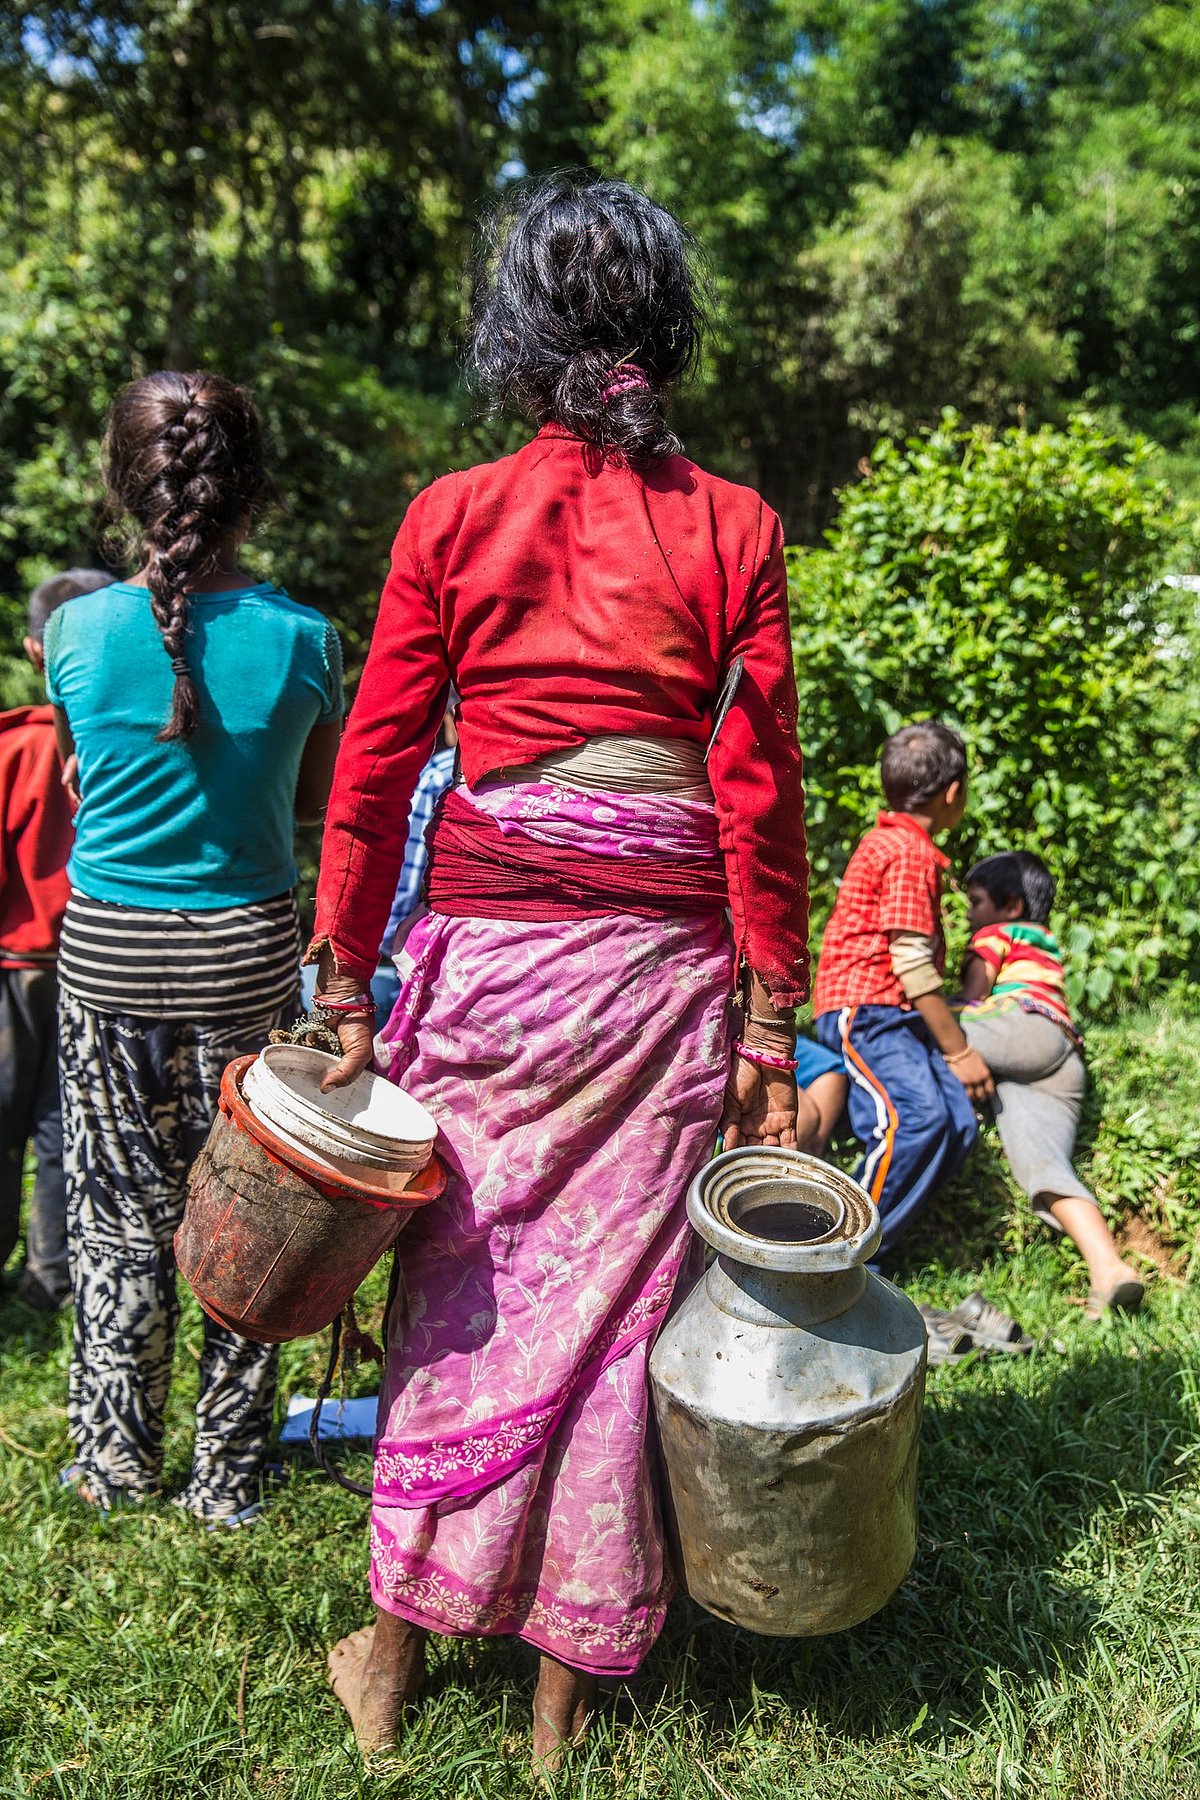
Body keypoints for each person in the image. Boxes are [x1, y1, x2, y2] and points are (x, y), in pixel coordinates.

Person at [309, 176, 810, 1769]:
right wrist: (772, 1013)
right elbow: (758, 791)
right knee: (609, 1323)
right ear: (664, 331)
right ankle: (556, 1703)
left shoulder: (453, 512)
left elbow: (380, 765)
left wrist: (338, 979)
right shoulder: (731, 524)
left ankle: (388, 1661)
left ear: (521, 336)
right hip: (661, 986)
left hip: (494, 976)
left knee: (461, 1302)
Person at [47, 371, 344, 1520]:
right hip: (247, 962)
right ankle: (228, 1478)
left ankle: (115, 1466)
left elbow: (94, 775)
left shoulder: (72, 629)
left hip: (106, 960)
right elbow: (308, 807)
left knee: (117, 1219)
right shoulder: (305, 640)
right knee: (250, 1216)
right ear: (251, 491)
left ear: (127, 487)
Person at [813, 722, 992, 1261]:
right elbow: (911, 964)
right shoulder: (908, 852)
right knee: (913, 1121)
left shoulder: (895, 843)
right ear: (953, 792)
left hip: (894, 1015)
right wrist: (959, 1050)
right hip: (866, 1011)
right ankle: (829, 1260)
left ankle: (872, 1261)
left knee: (956, 1121)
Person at [958, 850, 1143, 1317]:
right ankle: (1109, 1268)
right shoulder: (1042, 939)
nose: (968, 912)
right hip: (1061, 1055)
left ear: (1011, 906)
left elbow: (976, 994)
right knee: (1043, 1166)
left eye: (975, 901)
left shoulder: (996, 933)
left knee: (918, 1021)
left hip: (1023, 1027)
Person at [0, 568, 110, 1311]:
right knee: (61, 1129)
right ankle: (51, 1275)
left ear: (35, 649)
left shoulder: (13, 744)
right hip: (90, 965)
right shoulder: (127, 745)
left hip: (12, 966)